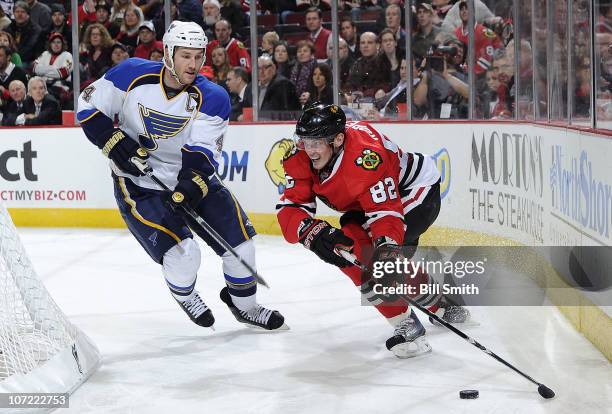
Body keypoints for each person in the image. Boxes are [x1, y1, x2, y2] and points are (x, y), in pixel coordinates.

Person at [76, 20, 287, 331]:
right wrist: (113, 140)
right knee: (184, 255)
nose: (193, 64)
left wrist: (190, 186)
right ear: (169, 53)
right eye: (186, 55)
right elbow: (88, 105)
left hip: (190, 180)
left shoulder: (213, 96)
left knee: (242, 248)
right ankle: (185, 294)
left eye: (198, 56)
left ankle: (246, 306)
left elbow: (201, 154)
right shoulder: (131, 72)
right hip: (139, 184)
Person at [276, 103, 470, 358]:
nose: (309, 150)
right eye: (305, 141)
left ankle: (414, 321)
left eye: (316, 142)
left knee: (371, 257)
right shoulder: (299, 156)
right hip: (366, 204)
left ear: (337, 139)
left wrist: (387, 249)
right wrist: (310, 231)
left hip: (414, 193)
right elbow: (290, 208)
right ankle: (435, 305)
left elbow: (386, 213)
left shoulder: (366, 157)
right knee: (346, 250)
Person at [33, 32, 73, 109]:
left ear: (62, 44)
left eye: (58, 42)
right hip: (42, 86)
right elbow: (35, 68)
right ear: (50, 44)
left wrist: (43, 71)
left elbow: (63, 73)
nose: (56, 44)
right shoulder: (45, 54)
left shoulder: (67, 55)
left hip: (60, 87)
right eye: (53, 42)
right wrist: (54, 69)